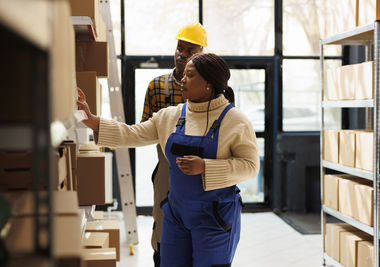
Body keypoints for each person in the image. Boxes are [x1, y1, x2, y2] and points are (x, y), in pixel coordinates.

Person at [77, 52, 260, 267]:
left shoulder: (236, 121)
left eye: (190, 75)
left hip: (215, 217)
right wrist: (91, 121)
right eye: (184, 75)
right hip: (177, 214)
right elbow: (132, 133)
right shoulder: (170, 116)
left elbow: (250, 166)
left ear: (208, 83)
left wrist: (205, 167)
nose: (182, 79)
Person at [140, 22, 207, 267]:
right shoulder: (157, 87)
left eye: (190, 51)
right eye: (180, 48)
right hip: (167, 171)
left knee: (198, 235)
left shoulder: (213, 89)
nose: (182, 54)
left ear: (201, 53)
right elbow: (144, 131)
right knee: (163, 232)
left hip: (202, 172)